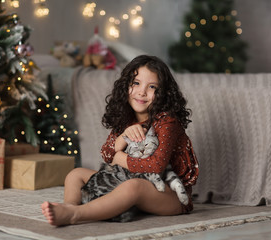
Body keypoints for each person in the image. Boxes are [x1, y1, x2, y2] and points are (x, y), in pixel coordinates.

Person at [41, 55, 199, 226]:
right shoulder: (127, 118)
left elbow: (156, 166)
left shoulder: (167, 122)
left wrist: (121, 159)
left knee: (134, 186)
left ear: (164, 93)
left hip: (168, 195)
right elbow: (107, 153)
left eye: (152, 87)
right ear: (126, 86)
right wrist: (124, 136)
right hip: (125, 181)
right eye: (136, 83)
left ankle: (76, 214)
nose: (142, 92)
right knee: (76, 174)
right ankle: (69, 206)